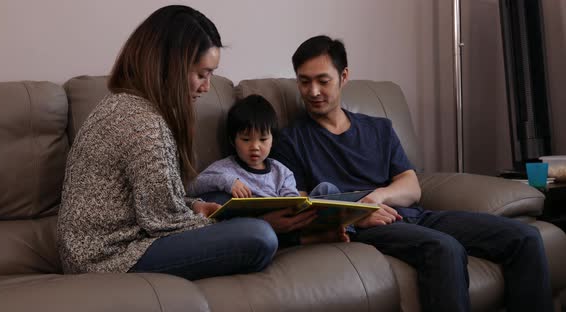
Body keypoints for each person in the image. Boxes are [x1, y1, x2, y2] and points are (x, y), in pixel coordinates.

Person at [272, 35, 553, 312]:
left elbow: (411, 186)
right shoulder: (290, 141)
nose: (313, 91)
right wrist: (358, 213)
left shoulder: (378, 128)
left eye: (323, 80)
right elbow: (303, 205)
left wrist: (375, 198)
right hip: (363, 229)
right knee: (445, 248)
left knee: (524, 237)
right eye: (304, 81)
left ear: (344, 76)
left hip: (414, 215)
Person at [57, 5, 278, 281]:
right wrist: (264, 223)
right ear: (169, 65)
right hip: (109, 258)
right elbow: (164, 222)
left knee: (224, 202)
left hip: (120, 238)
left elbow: (155, 202)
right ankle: (287, 231)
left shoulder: (124, 105)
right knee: (260, 236)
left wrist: (195, 206)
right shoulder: (144, 124)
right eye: (201, 74)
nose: (207, 87)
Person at [186, 94, 349, 245]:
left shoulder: (282, 172)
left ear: (273, 140)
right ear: (232, 140)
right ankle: (309, 239)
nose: (255, 147)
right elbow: (192, 187)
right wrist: (227, 182)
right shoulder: (225, 169)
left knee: (327, 188)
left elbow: (291, 197)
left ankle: (347, 231)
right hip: (257, 226)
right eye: (246, 139)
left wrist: (294, 206)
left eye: (263, 139)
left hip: (292, 221)